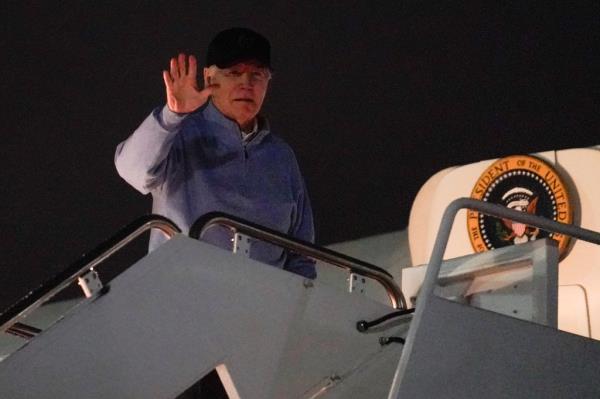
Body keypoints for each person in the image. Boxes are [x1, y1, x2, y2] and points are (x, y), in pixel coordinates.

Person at [115, 27, 316, 279]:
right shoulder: (180, 133)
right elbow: (130, 169)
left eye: (257, 74)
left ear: (268, 81)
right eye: (234, 73)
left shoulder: (282, 157)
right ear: (209, 78)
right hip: (183, 298)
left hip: (261, 307)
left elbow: (302, 255)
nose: (246, 83)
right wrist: (172, 114)